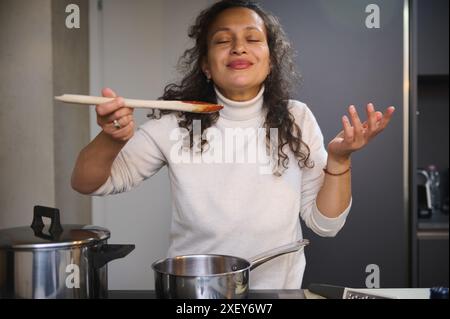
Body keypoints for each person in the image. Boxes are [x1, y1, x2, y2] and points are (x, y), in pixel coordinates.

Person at [71, 0, 395, 289]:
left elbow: (326, 225)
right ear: (206, 65)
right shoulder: (175, 123)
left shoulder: (298, 118)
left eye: (253, 39)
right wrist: (111, 138)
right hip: (196, 292)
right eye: (223, 40)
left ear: (270, 61)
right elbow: (87, 182)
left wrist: (339, 161)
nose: (239, 47)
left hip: (277, 292)